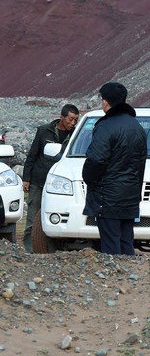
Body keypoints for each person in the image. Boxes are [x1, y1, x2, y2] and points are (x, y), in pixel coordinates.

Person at [82, 82, 147, 255]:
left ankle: (113, 280)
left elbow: (96, 159)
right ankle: (130, 277)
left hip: (108, 197)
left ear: (105, 102)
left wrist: (89, 179)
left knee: (110, 245)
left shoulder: (105, 126)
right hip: (130, 196)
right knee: (126, 242)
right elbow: (141, 164)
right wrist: (136, 192)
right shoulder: (137, 127)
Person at [22, 104, 79, 252]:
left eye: (76, 120)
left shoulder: (76, 135)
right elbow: (32, 155)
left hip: (62, 185)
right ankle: (30, 250)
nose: (73, 123)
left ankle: (56, 250)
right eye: (71, 119)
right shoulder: (43, 131)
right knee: (33, 217)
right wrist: (26, 179)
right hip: (39, 181)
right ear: (62, 117)